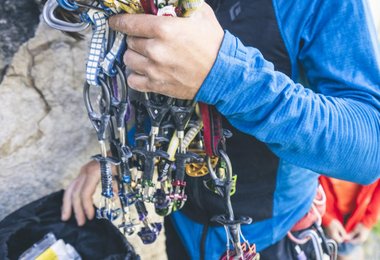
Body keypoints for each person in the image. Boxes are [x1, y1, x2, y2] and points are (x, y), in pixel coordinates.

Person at [60, 0, 380, 259]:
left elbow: (370, 146)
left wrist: (226, 76)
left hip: (272, 237)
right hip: (181, 224)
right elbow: (155, 91)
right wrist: (122, 156)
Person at [320, 176, 380, 259]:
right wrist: (326, 219)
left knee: (346, 254)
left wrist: (367, 222)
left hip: (355, 218)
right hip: (321, 214)